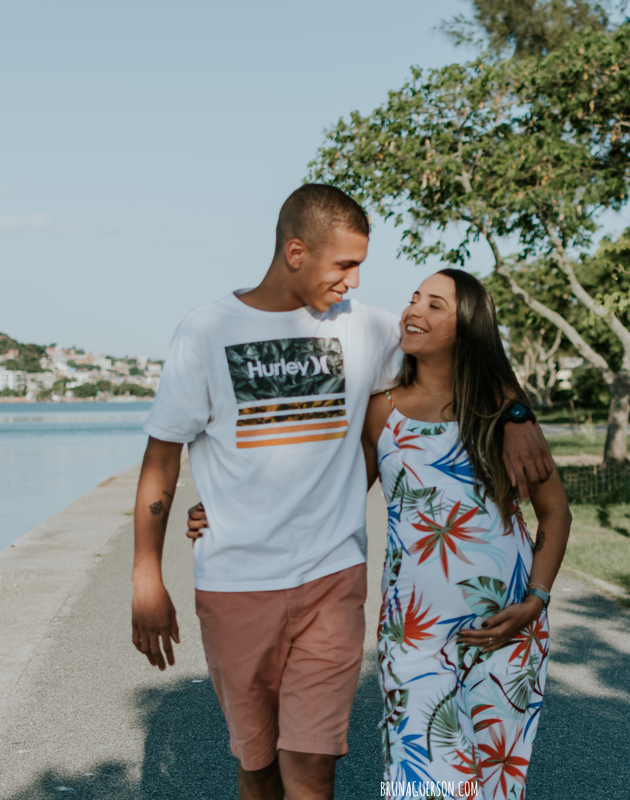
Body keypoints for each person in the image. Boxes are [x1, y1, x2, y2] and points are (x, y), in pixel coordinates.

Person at [131, 184, 553, 800]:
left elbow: (467, 348)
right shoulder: (205, 332)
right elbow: (162, 456)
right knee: (257, 765)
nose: (355, 282)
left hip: (332, 576)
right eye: (345, 265)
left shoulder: (367, 328)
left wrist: (515, 418)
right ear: (296, 252)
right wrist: (147, 573)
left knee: (313, 765)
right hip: (235, 582)